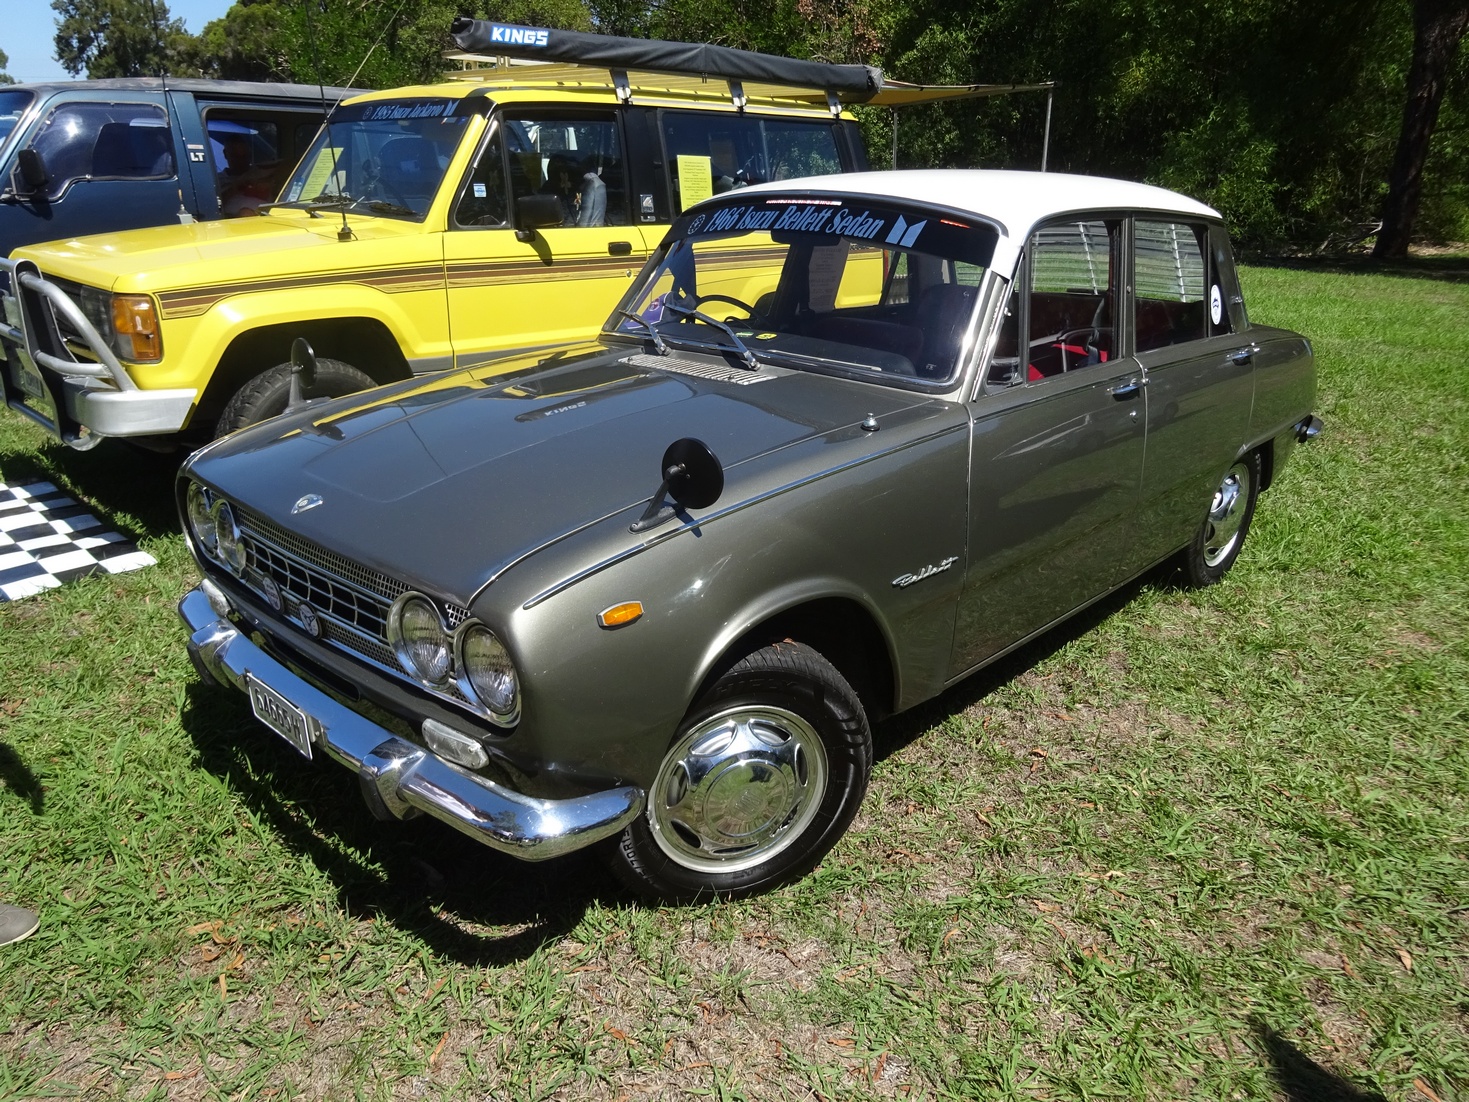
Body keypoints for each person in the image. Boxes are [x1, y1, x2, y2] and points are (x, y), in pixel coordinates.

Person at [218, 134, 274, 217]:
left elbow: (286, 166)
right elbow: (214, 204)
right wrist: (236, 186)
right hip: (233, 218)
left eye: (245, 156)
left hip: (267, 215)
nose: (241, 161)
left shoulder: (261, 172)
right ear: (226, 154)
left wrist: (269, 184)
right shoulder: (217, 180)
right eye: (236, 157)